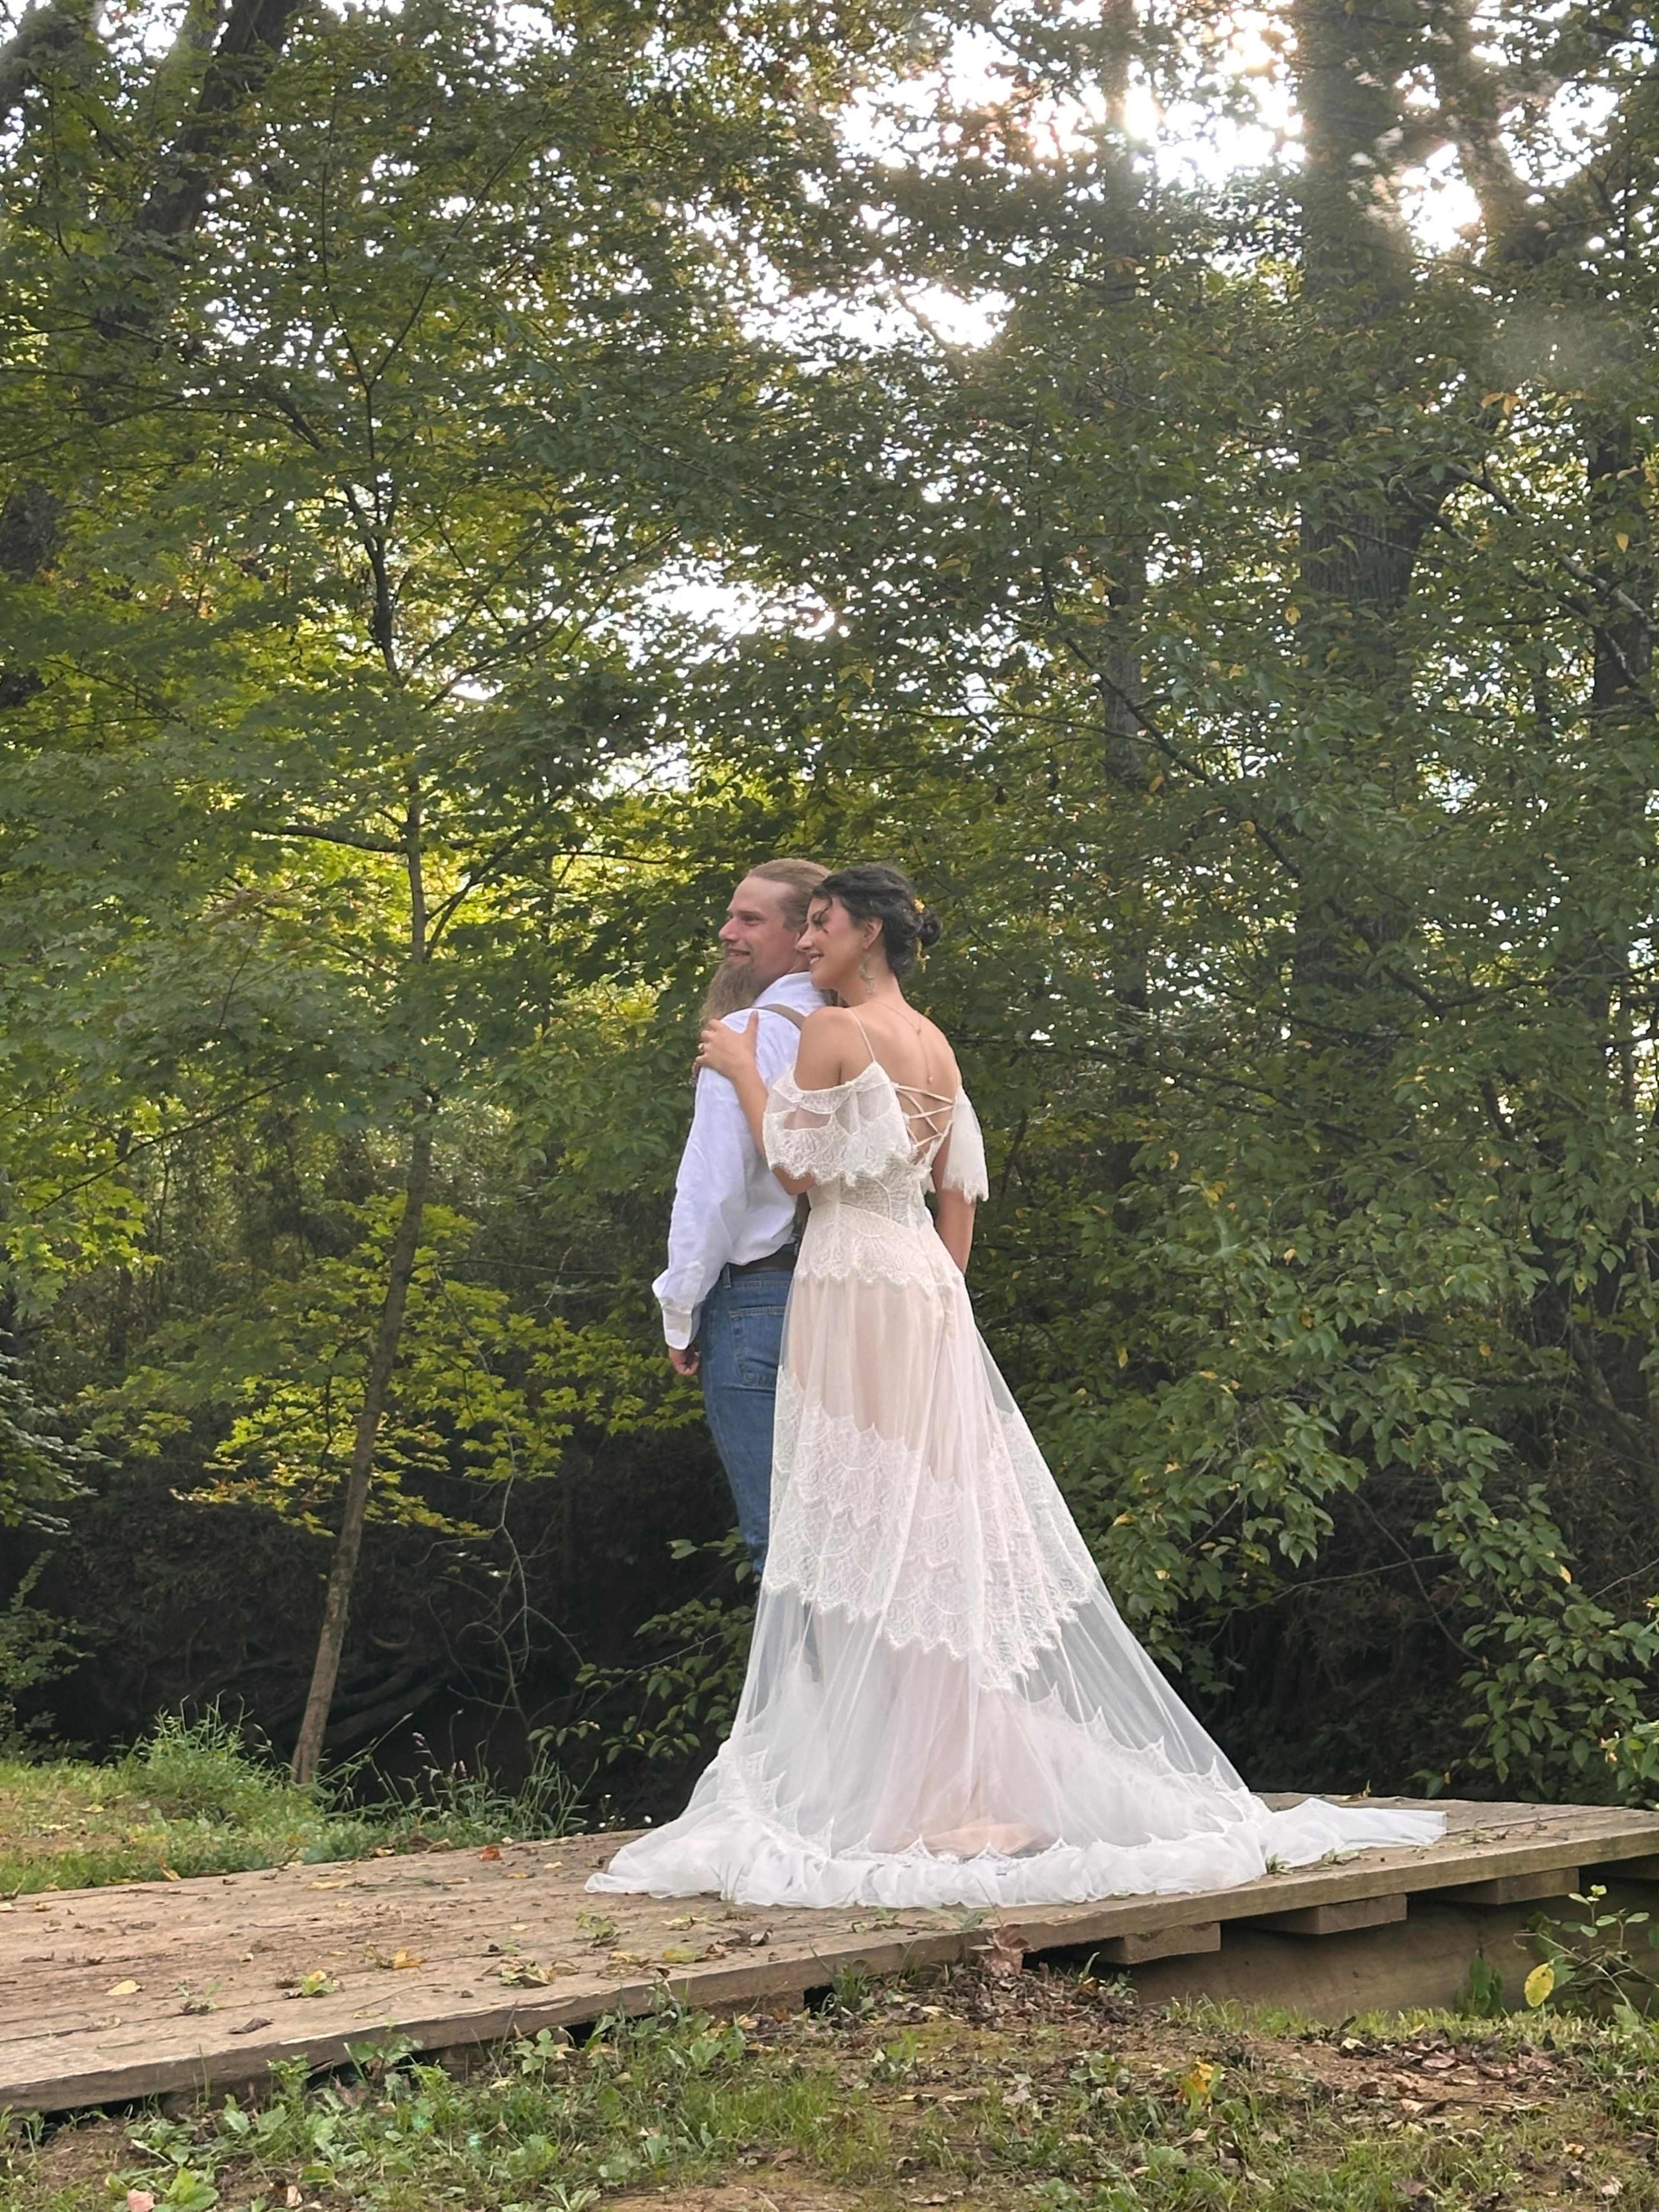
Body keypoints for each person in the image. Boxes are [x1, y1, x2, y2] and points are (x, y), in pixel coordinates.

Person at [594, 863, 1444, 1908]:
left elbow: (798, 1170)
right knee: (927, 1525)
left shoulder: (827, 1034)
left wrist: (738, 1070)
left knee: (856, 1522)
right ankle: (946, 1775)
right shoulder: (939, 1045)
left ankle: (906, 1787)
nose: (809, 940)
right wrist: (945, 1290)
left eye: (821, 923)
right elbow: (955, 1182)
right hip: (922, 1285)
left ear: (865, 933)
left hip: (854, 1278)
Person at [654, 860, 828, 1575]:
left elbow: (715, 1186)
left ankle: (806, 1691)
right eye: (731, 916)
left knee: (783, 1547)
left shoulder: (747, 1033)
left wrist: (680, 1308)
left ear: (805, 935)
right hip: (852, 1298)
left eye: (751, 920)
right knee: (855, 1539)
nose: (727, 934)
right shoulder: (863, 1031)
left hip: (757, 1301)